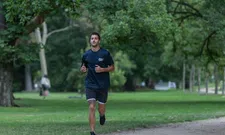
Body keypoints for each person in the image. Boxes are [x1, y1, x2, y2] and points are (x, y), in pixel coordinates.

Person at [80, 32, 115, 135]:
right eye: (92, 38)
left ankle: (102, 115)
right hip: (90, 84)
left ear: (99, 41)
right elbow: (84, 67)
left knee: (101, 109)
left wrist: (102, 69)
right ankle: (92, 131)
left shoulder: (105, 53)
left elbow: (112, 67)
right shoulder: (86, 55)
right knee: (91, 107)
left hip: (103, 85)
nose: (94, 40)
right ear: (90, 41)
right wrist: (83, 69)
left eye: (96, 38)